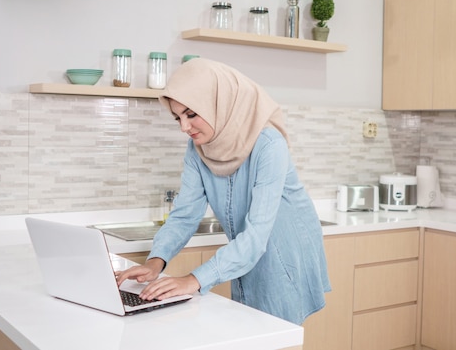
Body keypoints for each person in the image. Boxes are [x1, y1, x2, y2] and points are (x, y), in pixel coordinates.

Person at [115, 57, 331, 325]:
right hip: (245, 251)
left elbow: (256, 236)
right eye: (177, 117)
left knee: (274, 333)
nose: (184, 127)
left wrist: (193, 280)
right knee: (248, 330)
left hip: (284, 253)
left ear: (220, 104)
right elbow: (185, 215)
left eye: (191, 114)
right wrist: (155, 262)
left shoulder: (269, 144)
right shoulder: (198, 149)